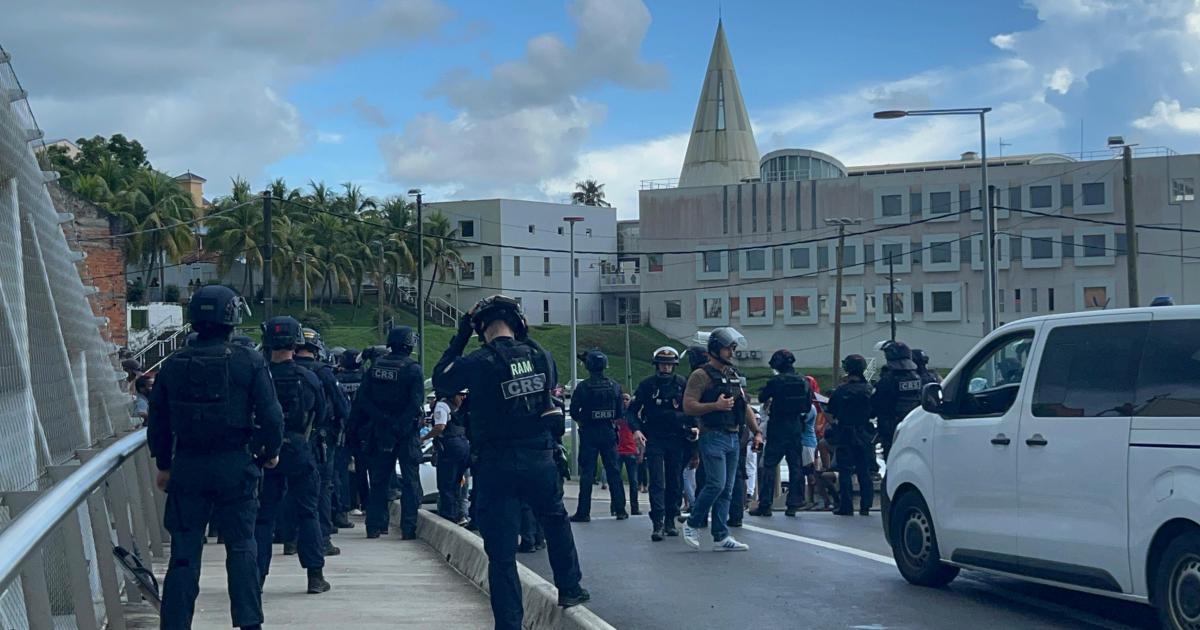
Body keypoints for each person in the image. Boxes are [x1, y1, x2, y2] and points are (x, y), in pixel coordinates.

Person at [433, 295, 589, 629]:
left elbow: (442, 377)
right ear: (518, 324)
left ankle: (509, 623)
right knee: (555, 521)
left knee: (501, 552)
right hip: (539, 458)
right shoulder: (542, 356)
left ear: (480, 329)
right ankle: (570, 588)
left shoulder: (477, 362)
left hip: (496, 463)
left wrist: (461, 333)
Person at [148, 286, 282, 630]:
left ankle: (175, 624)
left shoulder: (174, 364)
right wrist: (269, 453)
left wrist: (164, 464)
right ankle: (249, 623)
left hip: (188, 466)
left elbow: (158, 420)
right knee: (241, 547)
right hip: (235, 465)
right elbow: (271, 416)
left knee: (184, 552)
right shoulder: (248, 361)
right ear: (232, 318)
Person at [254, 316, 331, 594]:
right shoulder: (309, 377)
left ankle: (257, 576)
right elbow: (323, 414)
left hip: (264, 450)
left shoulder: (259, 375)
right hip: (300, 448)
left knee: (263, 517)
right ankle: (315, 576)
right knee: (308, 512)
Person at [682, 328, 763, 552]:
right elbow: (688, 405)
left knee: (727, 488)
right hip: (713, 435)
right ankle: (693, 523)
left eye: (733, 348)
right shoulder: (700, 375)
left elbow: (743, 405)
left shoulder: (733, 374)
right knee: (716, 484)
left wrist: (756, 431)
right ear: (716, 348)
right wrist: (714, 406)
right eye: (729, 347)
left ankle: (721, 535)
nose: (732, 352)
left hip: (734, 436)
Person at [348, 326, 425, 540]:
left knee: (380, 480)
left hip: (380, 430)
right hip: (406, 432)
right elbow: (415, 402)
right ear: (410, 345)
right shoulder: (413, 369)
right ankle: (408, 528)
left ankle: (374, 526)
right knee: (410, 481)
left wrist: (382, 420)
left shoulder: (375, 367)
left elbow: (363, 399)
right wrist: (399, 424)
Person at [626, 346, 695, 541]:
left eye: (669, 365)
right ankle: (657, 522)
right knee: (657, 481)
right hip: (654, 437)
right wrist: (636, 430)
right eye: (662, 364)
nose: (665, 368)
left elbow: (691, 409)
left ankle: (671, 519)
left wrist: (693, 427)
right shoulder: (647, 385)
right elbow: (631, 411)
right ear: (657, 365)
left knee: (675, 480)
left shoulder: (682, 384)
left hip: (677, 437)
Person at [294, 328, 351, 550]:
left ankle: (290, 538)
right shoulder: (323, 373)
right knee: (322, 487)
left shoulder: (279, 368)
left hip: (286, 438)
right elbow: (341, 405)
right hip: (320, 437)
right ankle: (323, 538)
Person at [569, 349, 639, 522]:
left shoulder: (583, 387)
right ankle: (621, 509)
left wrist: (583, 420)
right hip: (608, 432)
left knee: (587, 473)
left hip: (589, 433)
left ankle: (583, 512)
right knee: (614, 471)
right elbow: (619, 412)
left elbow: (573, 411)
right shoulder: (614, 386)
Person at [750, 349, 812, 518]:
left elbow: (762, 398)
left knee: (769, 465)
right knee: (795, 465)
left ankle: (765, 504)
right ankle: (794, 502)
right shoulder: (803, 381)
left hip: (778, 426)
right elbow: (807, 406)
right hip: (795, 426)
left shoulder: (775, 381)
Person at [826, 354, 875, 516]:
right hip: (864, 433)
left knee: (845, 471)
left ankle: (846, 506)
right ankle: (865, 505)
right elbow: (875, 410)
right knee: (864, 470)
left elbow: (831, 411)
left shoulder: (841, 390)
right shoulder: (869, 389)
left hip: (845, 432)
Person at [424, 388, 471, 523]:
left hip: (450, 446)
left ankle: (448, 516)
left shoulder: (442, 405)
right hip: (463, 444)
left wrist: (423, 438)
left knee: (446, 483)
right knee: (458, 483)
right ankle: (459, 514)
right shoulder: (461, 407)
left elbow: (440, 427)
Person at [871, 341, 922, 460]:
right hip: (914, 424)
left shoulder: (887, 380)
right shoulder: (917, 377)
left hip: (891, 427)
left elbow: (876, 404)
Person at [334, 349, 365, 519]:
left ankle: (344, 506)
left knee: (341, 470)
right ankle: (365, 502)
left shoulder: (336, 379)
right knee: (364, 467)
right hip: (363, 430)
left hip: (342, 429)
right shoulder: (366, 379)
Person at [615, 413, 641, 517]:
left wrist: (641, 452)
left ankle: (635, 508)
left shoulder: (633, 419)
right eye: (623, 399)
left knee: (633, 481)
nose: (625, 401)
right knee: (616, 480)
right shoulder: (616, 417)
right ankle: (616, 506)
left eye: (627, 399)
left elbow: (640, 435)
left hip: (631, 451)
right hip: (618, 451)